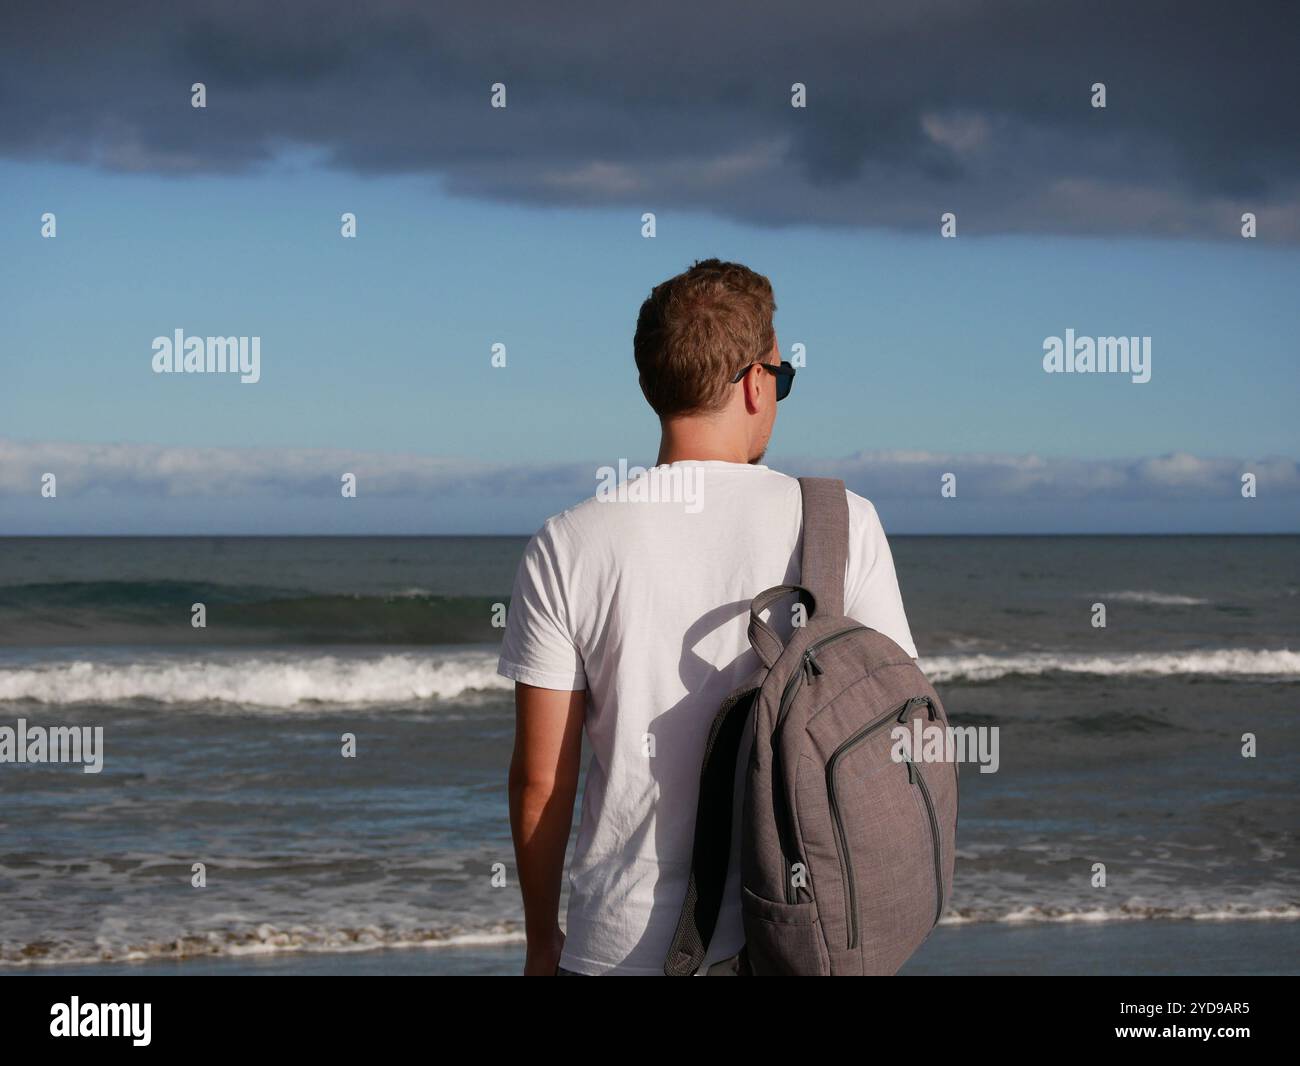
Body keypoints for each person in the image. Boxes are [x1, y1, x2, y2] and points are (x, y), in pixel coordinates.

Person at [499, 258, 916, 975]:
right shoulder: (842, 524)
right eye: (781, 380)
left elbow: (543, 782)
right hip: (802, 939)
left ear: (650, 385)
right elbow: (895, 736)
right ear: (756, 383)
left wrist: (543, 941)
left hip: (618, 949)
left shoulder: (567, 543)